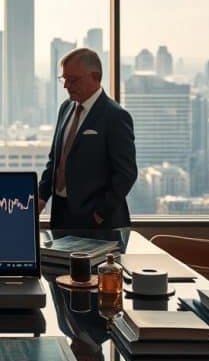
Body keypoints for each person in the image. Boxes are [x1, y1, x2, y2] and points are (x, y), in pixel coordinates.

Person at [38, 48, 137, 229]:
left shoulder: (115, 116)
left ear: (95, 77)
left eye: (73, 79)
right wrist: (42, 196)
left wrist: (100, 213)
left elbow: (126, 174)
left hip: (97, 222)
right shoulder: (66, 108)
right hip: (61, 215)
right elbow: (55, 161)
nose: (66, 85)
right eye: (64, 79)